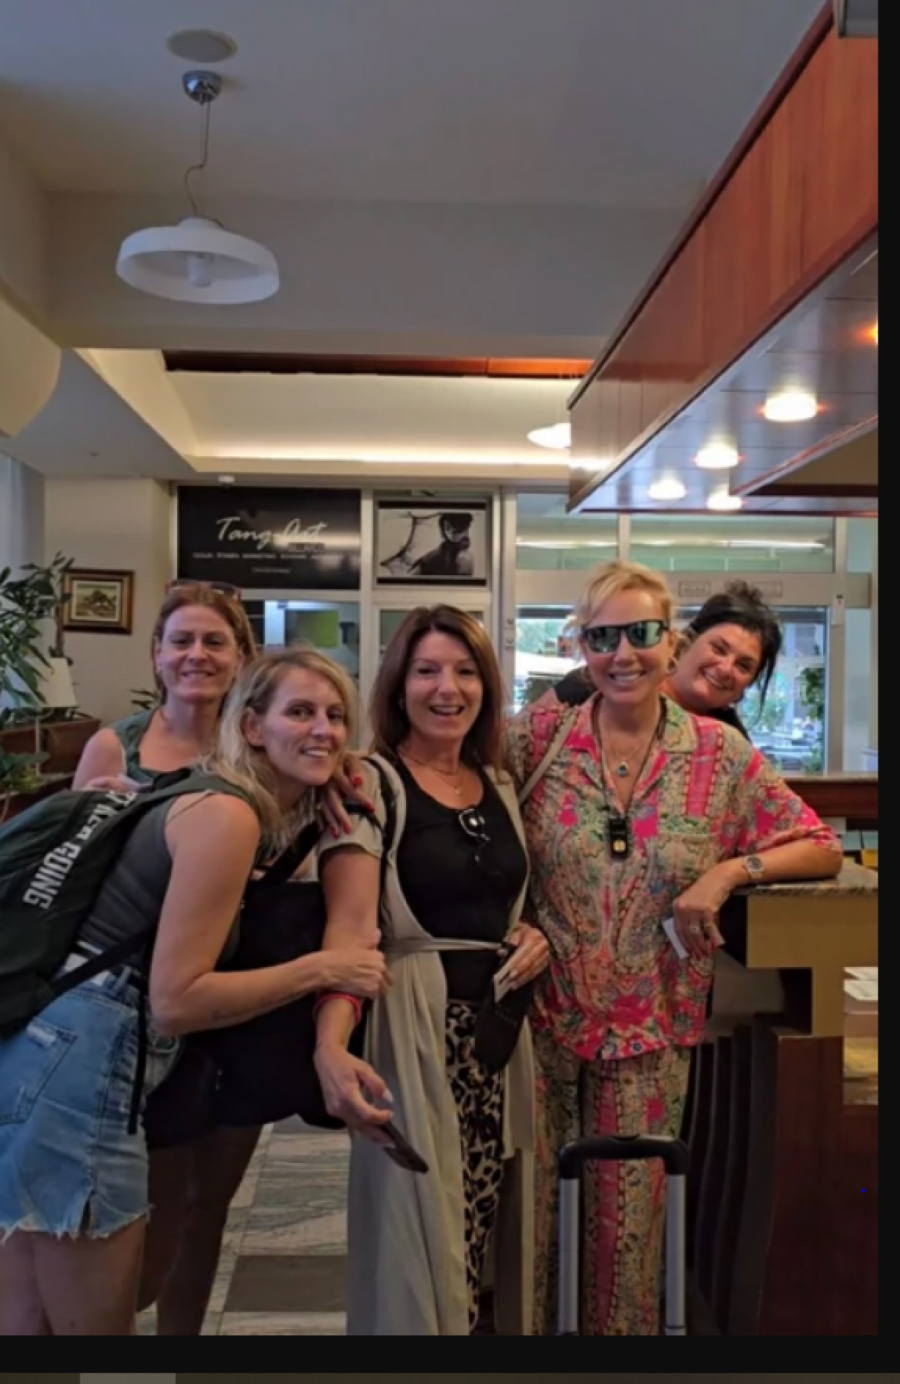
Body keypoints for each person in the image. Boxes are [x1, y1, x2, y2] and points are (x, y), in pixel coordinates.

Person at [0, 649, 389, 1335]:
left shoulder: (211, 792)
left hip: (42, 1047)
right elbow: (177, 1000)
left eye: (335, 716)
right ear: (252, 726)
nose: (324, 730)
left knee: (31, 1316)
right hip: (85, 1063)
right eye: (300, 712)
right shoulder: (227, 817)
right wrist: (325, 969)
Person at [504, 561, 841, 1335]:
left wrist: (727, 872)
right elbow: (458, 811)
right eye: (603, 637)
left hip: (652, 1029)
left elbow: (818, 844)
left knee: (629, 1230)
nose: (623, 654)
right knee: (531, 1219)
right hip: (541, 1021)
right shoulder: (537, 738)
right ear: (580, 645)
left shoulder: (720, 755)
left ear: (670, 640)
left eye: (641, 634)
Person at [313, 606, 550, 1335]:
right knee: (416, 1233)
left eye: (465, 671)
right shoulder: (368, 784)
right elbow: (350, 931)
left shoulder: (498, 783)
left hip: (497, 1040)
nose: (448, 688)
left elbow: (502, 900)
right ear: (398, 685)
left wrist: (529, 933)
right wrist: (330, 1045)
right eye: (426, 671)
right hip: (416, 1030)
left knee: (482, 1229)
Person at [550, 580, 784, 738]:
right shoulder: (593, 684)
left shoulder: (731, 745)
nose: (725, 668)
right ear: (686, 640)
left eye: (743, 665)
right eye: (719, 649)